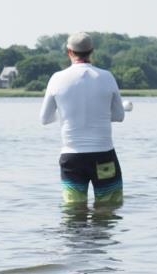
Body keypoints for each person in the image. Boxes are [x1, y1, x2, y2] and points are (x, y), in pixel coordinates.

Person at [39, 32, 126, 205]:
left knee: (73, 212)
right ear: (91, 51)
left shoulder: (57, 78)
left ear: (69, 51)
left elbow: (44, 118)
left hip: (72, 158)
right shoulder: (106, 76)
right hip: (103, 156)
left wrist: (65, 114)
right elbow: (119, 116)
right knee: (108, 209)